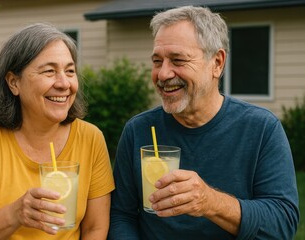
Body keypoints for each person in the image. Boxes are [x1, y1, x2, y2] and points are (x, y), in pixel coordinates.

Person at [108, 5, 299, 240]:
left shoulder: (261, 129)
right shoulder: (138, 131)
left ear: (217, 63)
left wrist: (210, 202)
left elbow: (282, 223)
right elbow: (121, 215)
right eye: (157, 61)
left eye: (177, 60)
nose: (163, 74)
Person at [0, 23, 115, 239]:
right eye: (49, 71)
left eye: (70, 71)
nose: (64, 83)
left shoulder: (90, 138)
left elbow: (95, 228)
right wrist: (14, 215)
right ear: (14, 82)